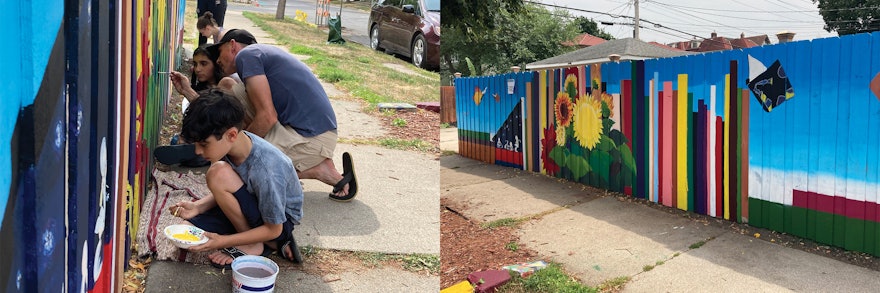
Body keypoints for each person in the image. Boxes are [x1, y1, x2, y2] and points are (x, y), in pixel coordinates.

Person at [208, 29, 358, 202]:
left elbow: (267, 117)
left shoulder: (246, 56)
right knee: (228, 86)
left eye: (219, 52)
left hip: (312, 138)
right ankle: (317, 165)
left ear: (233, 45)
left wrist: (238, 152)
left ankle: (319, 169)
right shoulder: (258, 55)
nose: (217, 60)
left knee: (244, 174)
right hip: (313, 132)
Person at [169, 89, 303, 268]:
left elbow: (274, 229)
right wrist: (198, 206)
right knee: (189, 228)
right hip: (254, 205)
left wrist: (222, 241)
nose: (198, 152)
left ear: (231, 134)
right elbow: (235, 187)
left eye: (203, 144)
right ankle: (244, 235)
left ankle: (252, 244)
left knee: (218, 173)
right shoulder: (232, 145)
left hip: (277, 226)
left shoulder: (267, 168)